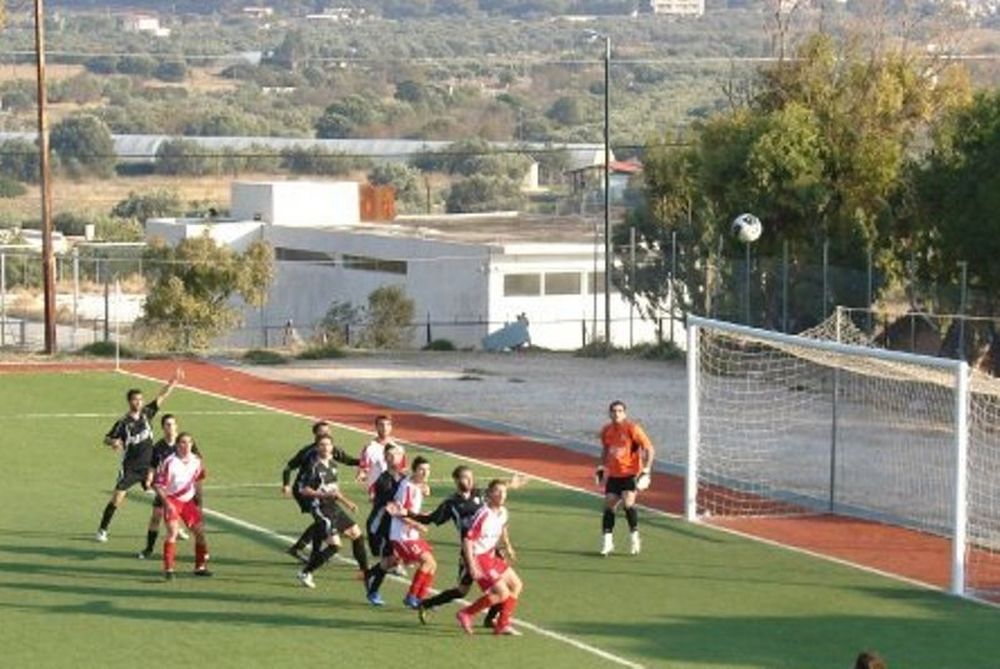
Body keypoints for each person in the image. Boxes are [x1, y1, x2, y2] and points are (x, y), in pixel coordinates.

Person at [413, 466, 526, 627]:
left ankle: (491, 619)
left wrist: (511, 484)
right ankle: (427, 604)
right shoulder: (451, 503)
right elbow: (430, 518)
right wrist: (407, 514)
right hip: (471, 551)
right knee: (462, 591)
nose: (469, 480)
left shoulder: (478, 494)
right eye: (465, 477)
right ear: (457, 481)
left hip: (488, 549)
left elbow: (494, 493)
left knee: (504, 586)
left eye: (470, 477)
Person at [96, 368, 183, 543]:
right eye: (135, 399)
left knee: (165, 496)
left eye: (141, 399)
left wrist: (173, 382)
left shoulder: (146, 414)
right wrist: (113, 442)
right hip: (130, 468)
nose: (139, 402)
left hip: (149, 466)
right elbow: (107, 438)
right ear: (129, 402)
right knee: (117, 498)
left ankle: (175, 528)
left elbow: (161, 397)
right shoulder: (123, 423)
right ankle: (102, 529)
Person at [295, 435, 369, 590]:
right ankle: (305, 572)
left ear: (332, 447)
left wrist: (347, 502)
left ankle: (364, 571)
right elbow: (304, 489)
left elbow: (334, 490)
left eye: (328, 444)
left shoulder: (333, 465)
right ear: (317, 447)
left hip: (333, 506)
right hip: (320, 508)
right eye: (321, 445)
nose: (325, 447)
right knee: (335, 545)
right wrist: (323, 495)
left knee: (357, 534)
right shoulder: (313, 466)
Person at [454, 479, 523, 636]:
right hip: (479, 558)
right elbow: (467, 539)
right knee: (502, 593)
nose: (502, 495)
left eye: (504, 492)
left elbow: (503, 528)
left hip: (491, 556)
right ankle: (466, 613)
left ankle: (502, 624)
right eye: (497, 491)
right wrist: (471, 565)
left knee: (516, 585)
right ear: (490, 494)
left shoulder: (503, 512)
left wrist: (507, 547)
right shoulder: (483, 514)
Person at [595, 400, 655, 556]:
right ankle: (608, 542)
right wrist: (601, 467)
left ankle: (635, 538)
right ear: (609, 413)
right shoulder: (606, 431)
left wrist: (647, 470)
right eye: (614, 411)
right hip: (614, 474)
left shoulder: (632, 429)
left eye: (620, 411)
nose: (617, 413)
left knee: (628, 502)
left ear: (625, 413)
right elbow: (606, 449)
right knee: (609, 505)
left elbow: (649, 448)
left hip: (630, 473)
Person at [137, 413, 200, 559]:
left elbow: (197, 461)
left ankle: (197, 551)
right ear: (163, 428)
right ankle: (149, 549)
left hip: (183, 490)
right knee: (155, 517)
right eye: (167, 425)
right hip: (165, 489)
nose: (170, 427)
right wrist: (149, 479)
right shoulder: (158, 447)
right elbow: (153, 466)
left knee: (190, 521)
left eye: (173, 424)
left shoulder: (185, 443)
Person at [153, 432, 210, 580]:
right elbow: (159, 486)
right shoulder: (169, 462)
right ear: (177, 445)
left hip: (188, 502)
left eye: (189, 442)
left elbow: (198, 482)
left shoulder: (196, 461)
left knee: (200, 533)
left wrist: (199, 505)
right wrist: (167, 504)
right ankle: (169, 569)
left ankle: (200, 566)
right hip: (172, 500)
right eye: (183, 443)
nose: (186, 446)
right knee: (172, 531)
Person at [282, 421, 339, 561]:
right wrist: (286, 484)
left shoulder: (331, 449)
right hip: (304, 491)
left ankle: (302, 549)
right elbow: (288, 467)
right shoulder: (307, 452)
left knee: (321, 521)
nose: (326, 433)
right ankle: (309, 553)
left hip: (320, 491)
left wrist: (364, 464)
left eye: (328, 431)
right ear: (316, 434)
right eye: (323, 431)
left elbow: (347, 459)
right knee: (321, 521)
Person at [387, 456, 436, 609]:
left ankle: (421, 598)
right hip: (402, 535)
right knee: (427, 562)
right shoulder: (407, 487)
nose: (425, 473)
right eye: (421, 469)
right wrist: (418, 525)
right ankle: (411, 596)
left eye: (427, 470)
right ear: (414, 470)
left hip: (410, 535)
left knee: (432, 565)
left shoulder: (416, 485)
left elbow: (411, 510)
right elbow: (399, 512)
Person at [362, 442, 406, 606]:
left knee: (392, 560)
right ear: (386, 458)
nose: (396, 457)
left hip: (394, 526)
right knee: (388, 561)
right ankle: (372, 590)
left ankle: (369, 577)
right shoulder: (384, 480)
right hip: (379, 527)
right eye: (392, 454)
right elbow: (392, 505)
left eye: (399, 454)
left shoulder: (403, 478)